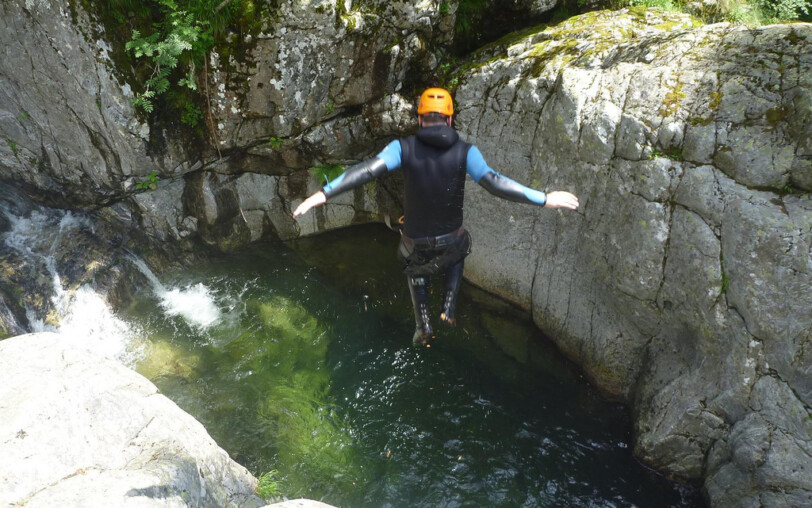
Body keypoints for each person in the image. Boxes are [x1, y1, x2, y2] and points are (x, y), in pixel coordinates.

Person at [293, 88, 579, 345]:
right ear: (450, 120)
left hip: (416, 242)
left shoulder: (402, 148)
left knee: (413, 262)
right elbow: (495, 183)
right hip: (452, 240)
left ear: (420, 120)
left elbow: (368, 170)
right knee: (461, 245)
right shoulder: (466, 152)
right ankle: (448, 308)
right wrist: (545, 198)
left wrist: (323, 194)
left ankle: (423, 326)